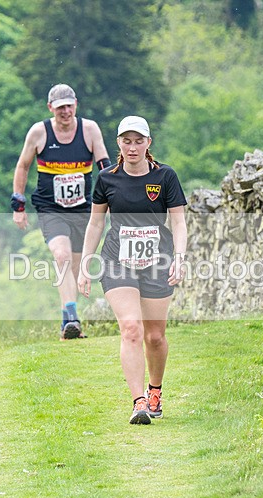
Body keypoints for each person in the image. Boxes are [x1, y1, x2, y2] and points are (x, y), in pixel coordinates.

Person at [77, 116, 188, 424]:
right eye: (127, 141)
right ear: (119, 144)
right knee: (131, 328)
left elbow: (178, 221)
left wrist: (179, 257)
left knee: (154, 336)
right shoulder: (107, 178)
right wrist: (86, 262)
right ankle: (139, 401)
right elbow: (96, 222)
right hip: (117, 260)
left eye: (139, 141)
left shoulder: (165, 176)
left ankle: (155, 391)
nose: (133, 147)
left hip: (158, 260)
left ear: (148, 143)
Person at [11, 83, 111, 340]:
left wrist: (114, 195)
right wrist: (19, 206)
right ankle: (72, 316)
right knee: (62, 256)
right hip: (50, 207)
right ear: (50, 108)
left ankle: (68, 323)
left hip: (82, 209)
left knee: (75, 268)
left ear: (76, 104)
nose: (65, 112)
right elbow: (23, 166)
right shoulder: (39, 132)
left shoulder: (89, 130)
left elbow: (104, 164)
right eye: (59, 108)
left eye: (69, 106)